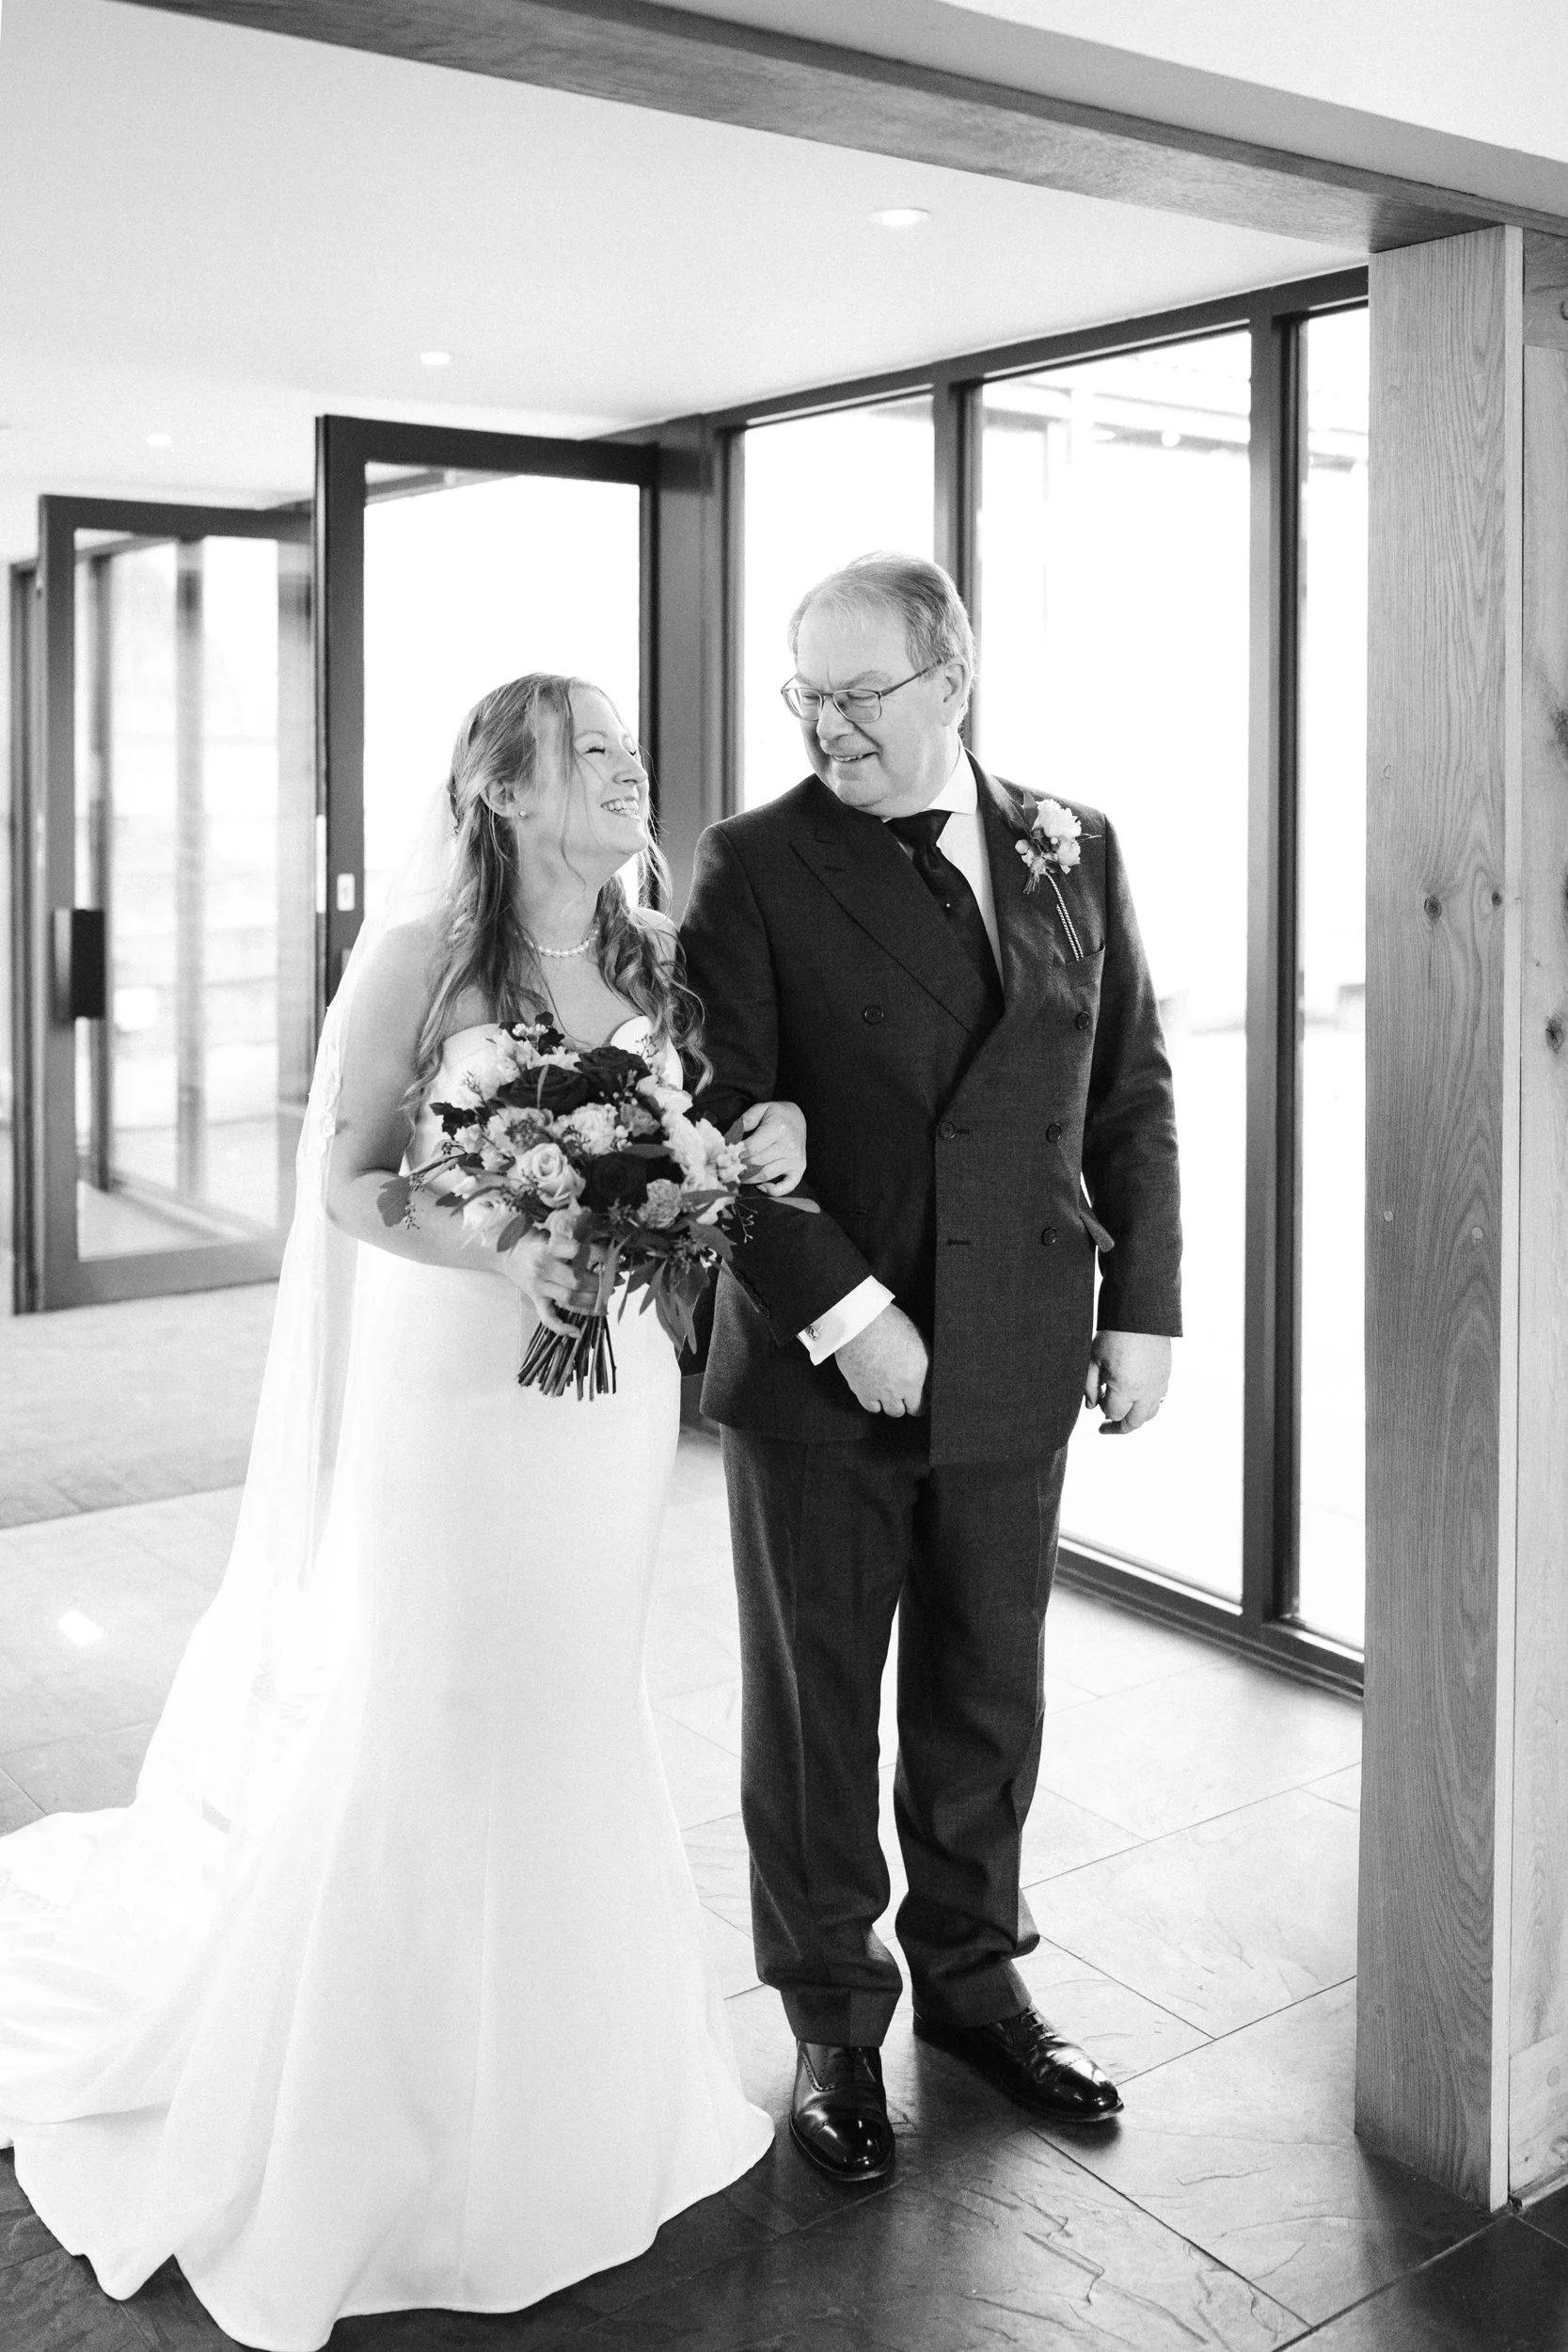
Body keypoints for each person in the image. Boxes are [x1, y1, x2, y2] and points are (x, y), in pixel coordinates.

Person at [0, 674, 808, 2348]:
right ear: (501, 787)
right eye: (585, 746)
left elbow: (693, 1139)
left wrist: (733, 1162)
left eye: (624, 743)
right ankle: (392, 2123)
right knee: (441, 1703)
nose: (621, 764)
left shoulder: (658, 948)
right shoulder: (418, 956)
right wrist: (496, 1240)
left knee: (577, 1707)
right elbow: (351, 1177)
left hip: (609, 1402)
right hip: (455, 1384)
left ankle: (590, 2096)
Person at [680, 552, 1181, 2184]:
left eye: (858, 692)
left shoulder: (1070, 842)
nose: (825, 724)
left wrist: (1143, 1306)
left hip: (1025, 1335)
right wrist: (846, 1312)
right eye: (803, 694)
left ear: (950, 682)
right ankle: (834, 2020)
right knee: (820, 1706)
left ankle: (974, 1981)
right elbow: (715, 1116)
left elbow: (1129, 1088)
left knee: (987, 1684)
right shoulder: (753, 862)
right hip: (830, 1365)